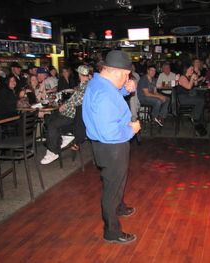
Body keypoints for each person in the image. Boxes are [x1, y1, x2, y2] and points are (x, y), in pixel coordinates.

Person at [83, 50, 141, 244]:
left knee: (117, 181)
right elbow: (110, 132)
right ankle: (111, 231)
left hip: (105, 146)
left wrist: (126, 89)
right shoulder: (103, 94)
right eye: (125, 75)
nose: (127, 78)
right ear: (115, 72)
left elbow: (113, 95)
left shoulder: (99, 82)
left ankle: (120, 206)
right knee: (111, 188)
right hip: (112, 146)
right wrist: (132, 129)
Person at [40, 65, 90, 164]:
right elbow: (76, 98)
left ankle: (53, 151)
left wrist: (65, 105)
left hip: (71, 115)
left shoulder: (85, 86)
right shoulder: (83, 84)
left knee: (52, 125)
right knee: (48, 118)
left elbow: (80, 99)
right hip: (69, 113)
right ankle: (58, 141)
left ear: (80, 74)